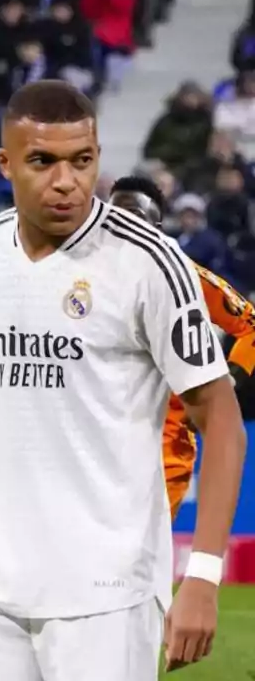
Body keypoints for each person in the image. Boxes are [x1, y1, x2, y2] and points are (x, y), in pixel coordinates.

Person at [0, 80, 245, 681]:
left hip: (107, 592)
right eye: (43, 161)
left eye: (82, 160)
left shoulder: (151, 262)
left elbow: (220, 418)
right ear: (6, 163)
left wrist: (201, 574)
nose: (66, 180)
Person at [109, 176, 255, 519]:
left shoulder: (187, 277)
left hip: (163, 449)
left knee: (135, 563)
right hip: (94, 444)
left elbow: (251, 326)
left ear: (156, 227)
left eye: (132, 218)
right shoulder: (78, 285)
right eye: (112, 219)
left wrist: (225, 387)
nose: (119, 230)